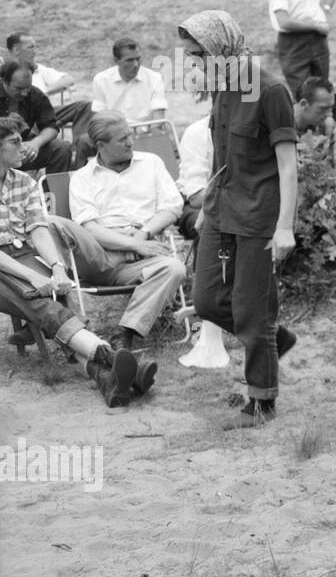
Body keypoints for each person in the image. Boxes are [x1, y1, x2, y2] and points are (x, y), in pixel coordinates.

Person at [182, 10, 298, 429]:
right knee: (207, 299)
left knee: (251, 310)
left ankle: (261, 399)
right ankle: (273, 340)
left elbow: (287, 166)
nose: (195, 64)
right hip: (220, 210)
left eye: (199, 55)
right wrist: (205, 208)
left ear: (222, 48)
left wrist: (285, 226)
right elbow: (220, 155)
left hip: (259, 217)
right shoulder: (221, 87)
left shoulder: (271, 91)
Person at [0, 116, 148, 405]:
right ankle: (109, 356)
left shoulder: (23, 182)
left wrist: (56, 269)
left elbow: (38, 229)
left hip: (21, 254)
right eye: (15, 142)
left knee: (59, 293)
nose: (25, 148)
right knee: (38, 299)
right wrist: (34, 277)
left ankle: (105, 375)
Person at [47, 111, 188, 353]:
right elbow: (90, 228)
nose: (131, 142)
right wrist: (132, 245)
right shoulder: (82, 178)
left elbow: (172, 206)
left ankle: (126, 333)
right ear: (101, 145)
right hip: (99, 255)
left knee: (175, 268)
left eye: (130, 135)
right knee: (52, 222)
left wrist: (143, 234)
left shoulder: (151, 163)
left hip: (142, 253)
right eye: (123, 139)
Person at [5, 33, 93, 142]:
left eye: (35, 47)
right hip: (15, 112)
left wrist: (45, 92)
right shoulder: (4, 70)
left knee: (84, 106)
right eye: (31, 47)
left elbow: (68, 80)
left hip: (45, 109)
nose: (35, 51)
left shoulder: (38, 68)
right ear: (16, 49)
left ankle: (80, 147)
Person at [0, 60, 74, 174]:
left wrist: (35, 143)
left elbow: (51, 126)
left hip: (23, 149)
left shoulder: (35, 94)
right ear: (4, 81)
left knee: (61, 148)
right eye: (18, 88)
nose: (24, 93)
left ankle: (51, 190)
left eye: (27, 88)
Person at [91, 39, 167, 124]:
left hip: (146, 133)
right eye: (129, 60)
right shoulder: (101, 80)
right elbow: (98, 120)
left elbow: (159, 121)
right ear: (116, 61)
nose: (135, 64)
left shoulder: (155, 78)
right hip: (113, 134)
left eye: (138, 59)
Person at [176, 109, 212, 241]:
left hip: (240, 201)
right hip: (194, 204)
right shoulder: (197, 132)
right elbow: (196, 198)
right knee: (209, 224)